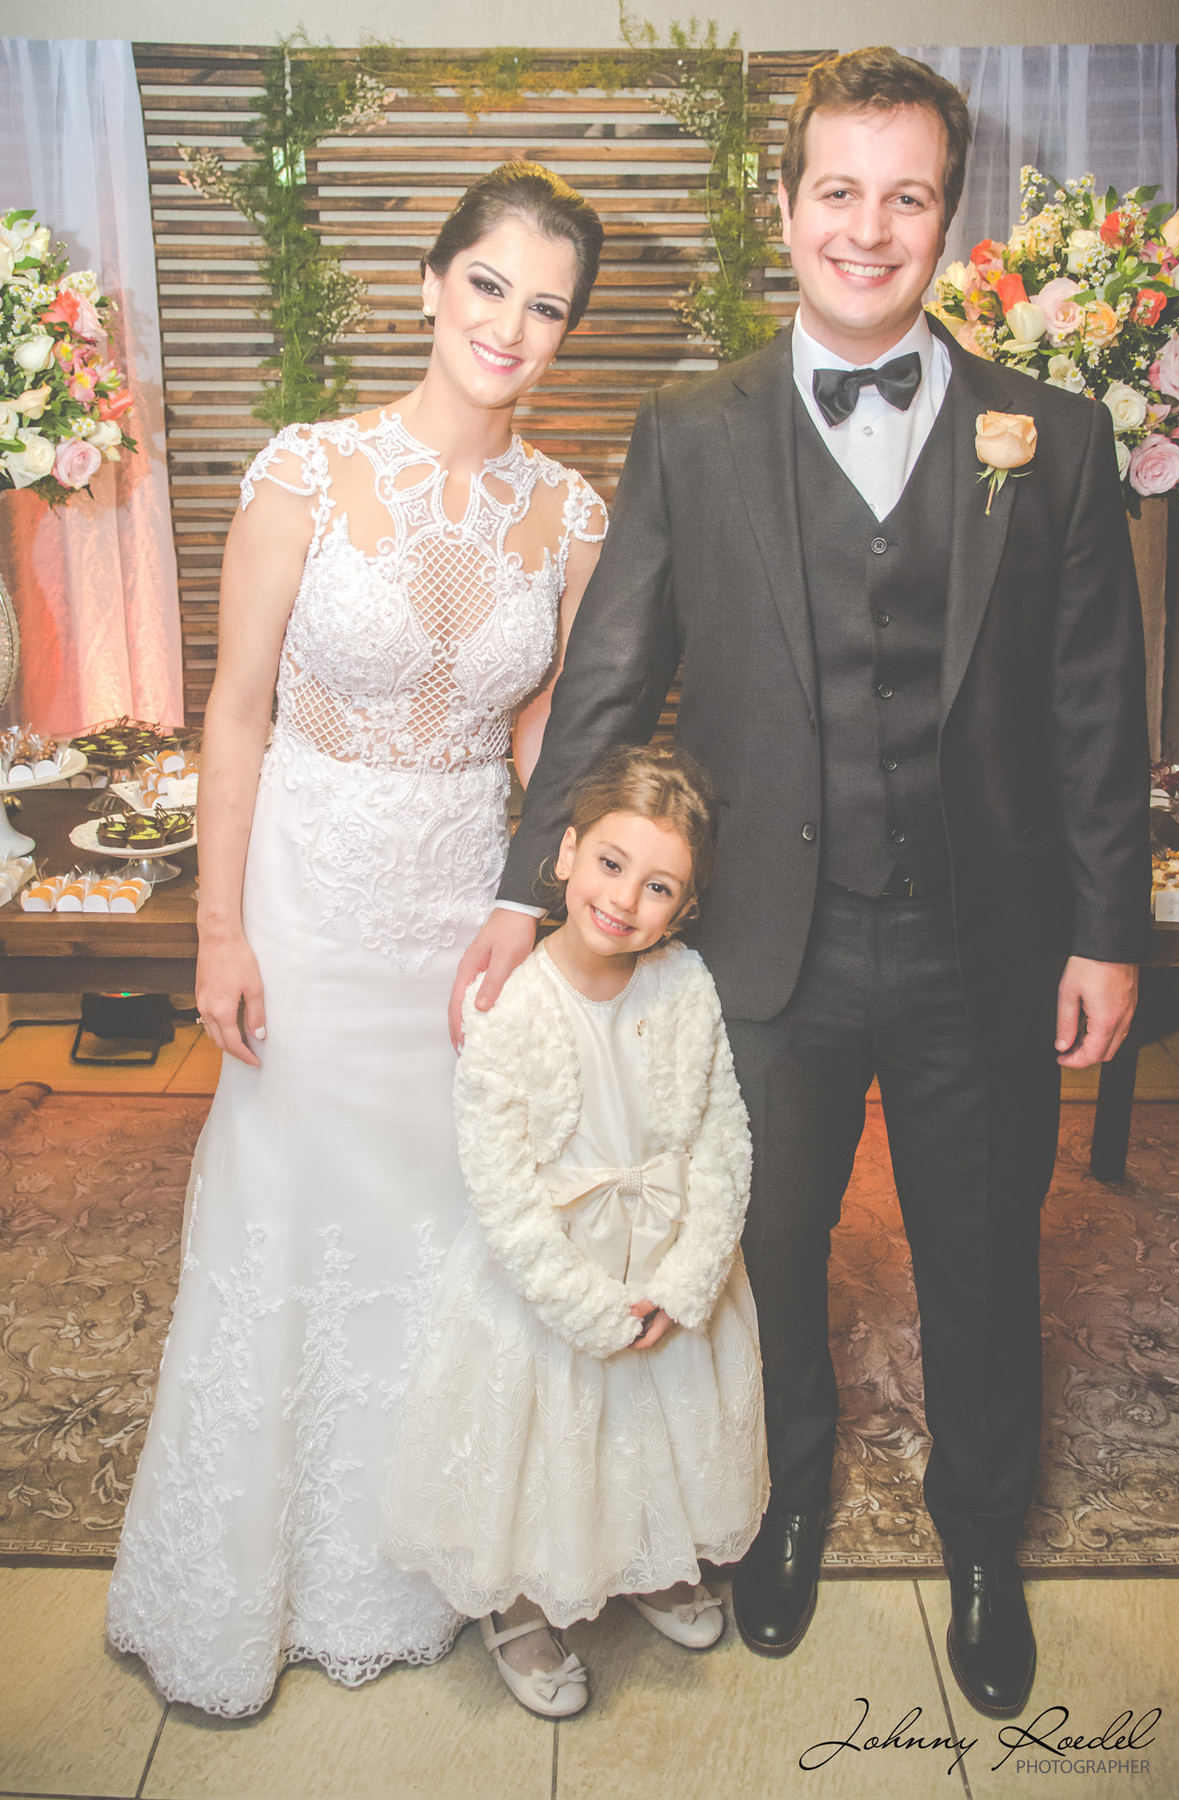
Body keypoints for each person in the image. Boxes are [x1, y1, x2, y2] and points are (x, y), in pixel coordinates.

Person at [450, 50, 1148, 1720]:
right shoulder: (692, 434)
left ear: (947, 217)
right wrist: (522, 893)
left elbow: (1096, 707)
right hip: (763, 948)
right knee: (762, 1245)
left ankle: (981, 1544)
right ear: (787, 208)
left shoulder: (1053, 439)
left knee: (982, 1251)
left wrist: (1109, 930)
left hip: (988, 942)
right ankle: (781, 1508)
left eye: (906, 195)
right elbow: (610, 680)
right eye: (838, 190)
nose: (868, 228)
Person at [105, 162, 608, 1718]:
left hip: (466, 912)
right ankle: (254, 1582)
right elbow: (235, 714)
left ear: (567, 332)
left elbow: (549, 746)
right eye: (488, 285)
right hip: (308, 903)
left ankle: (473, 1567)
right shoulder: (304, 474)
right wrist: (219, 933)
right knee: (295, 1218)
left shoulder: (574, 514)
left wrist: (565, 919)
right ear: (431, 283)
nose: (510, 327)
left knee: (470, 1234)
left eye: (546, 307)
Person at [387, 744, 767, 1716]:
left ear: (683, 908)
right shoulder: (512, 1005)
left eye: (658, 886)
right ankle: (516, 1603)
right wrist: (585, 1305)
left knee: (648, 1429)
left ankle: (647, 1559)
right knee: (546, 1446)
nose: (625, 898)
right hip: (551, 1284)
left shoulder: (685, 984)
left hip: (663, 1264)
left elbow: (723, 1138)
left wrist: (688, 1277)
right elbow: (503, 1193)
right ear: (563, 855)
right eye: (609, 863)